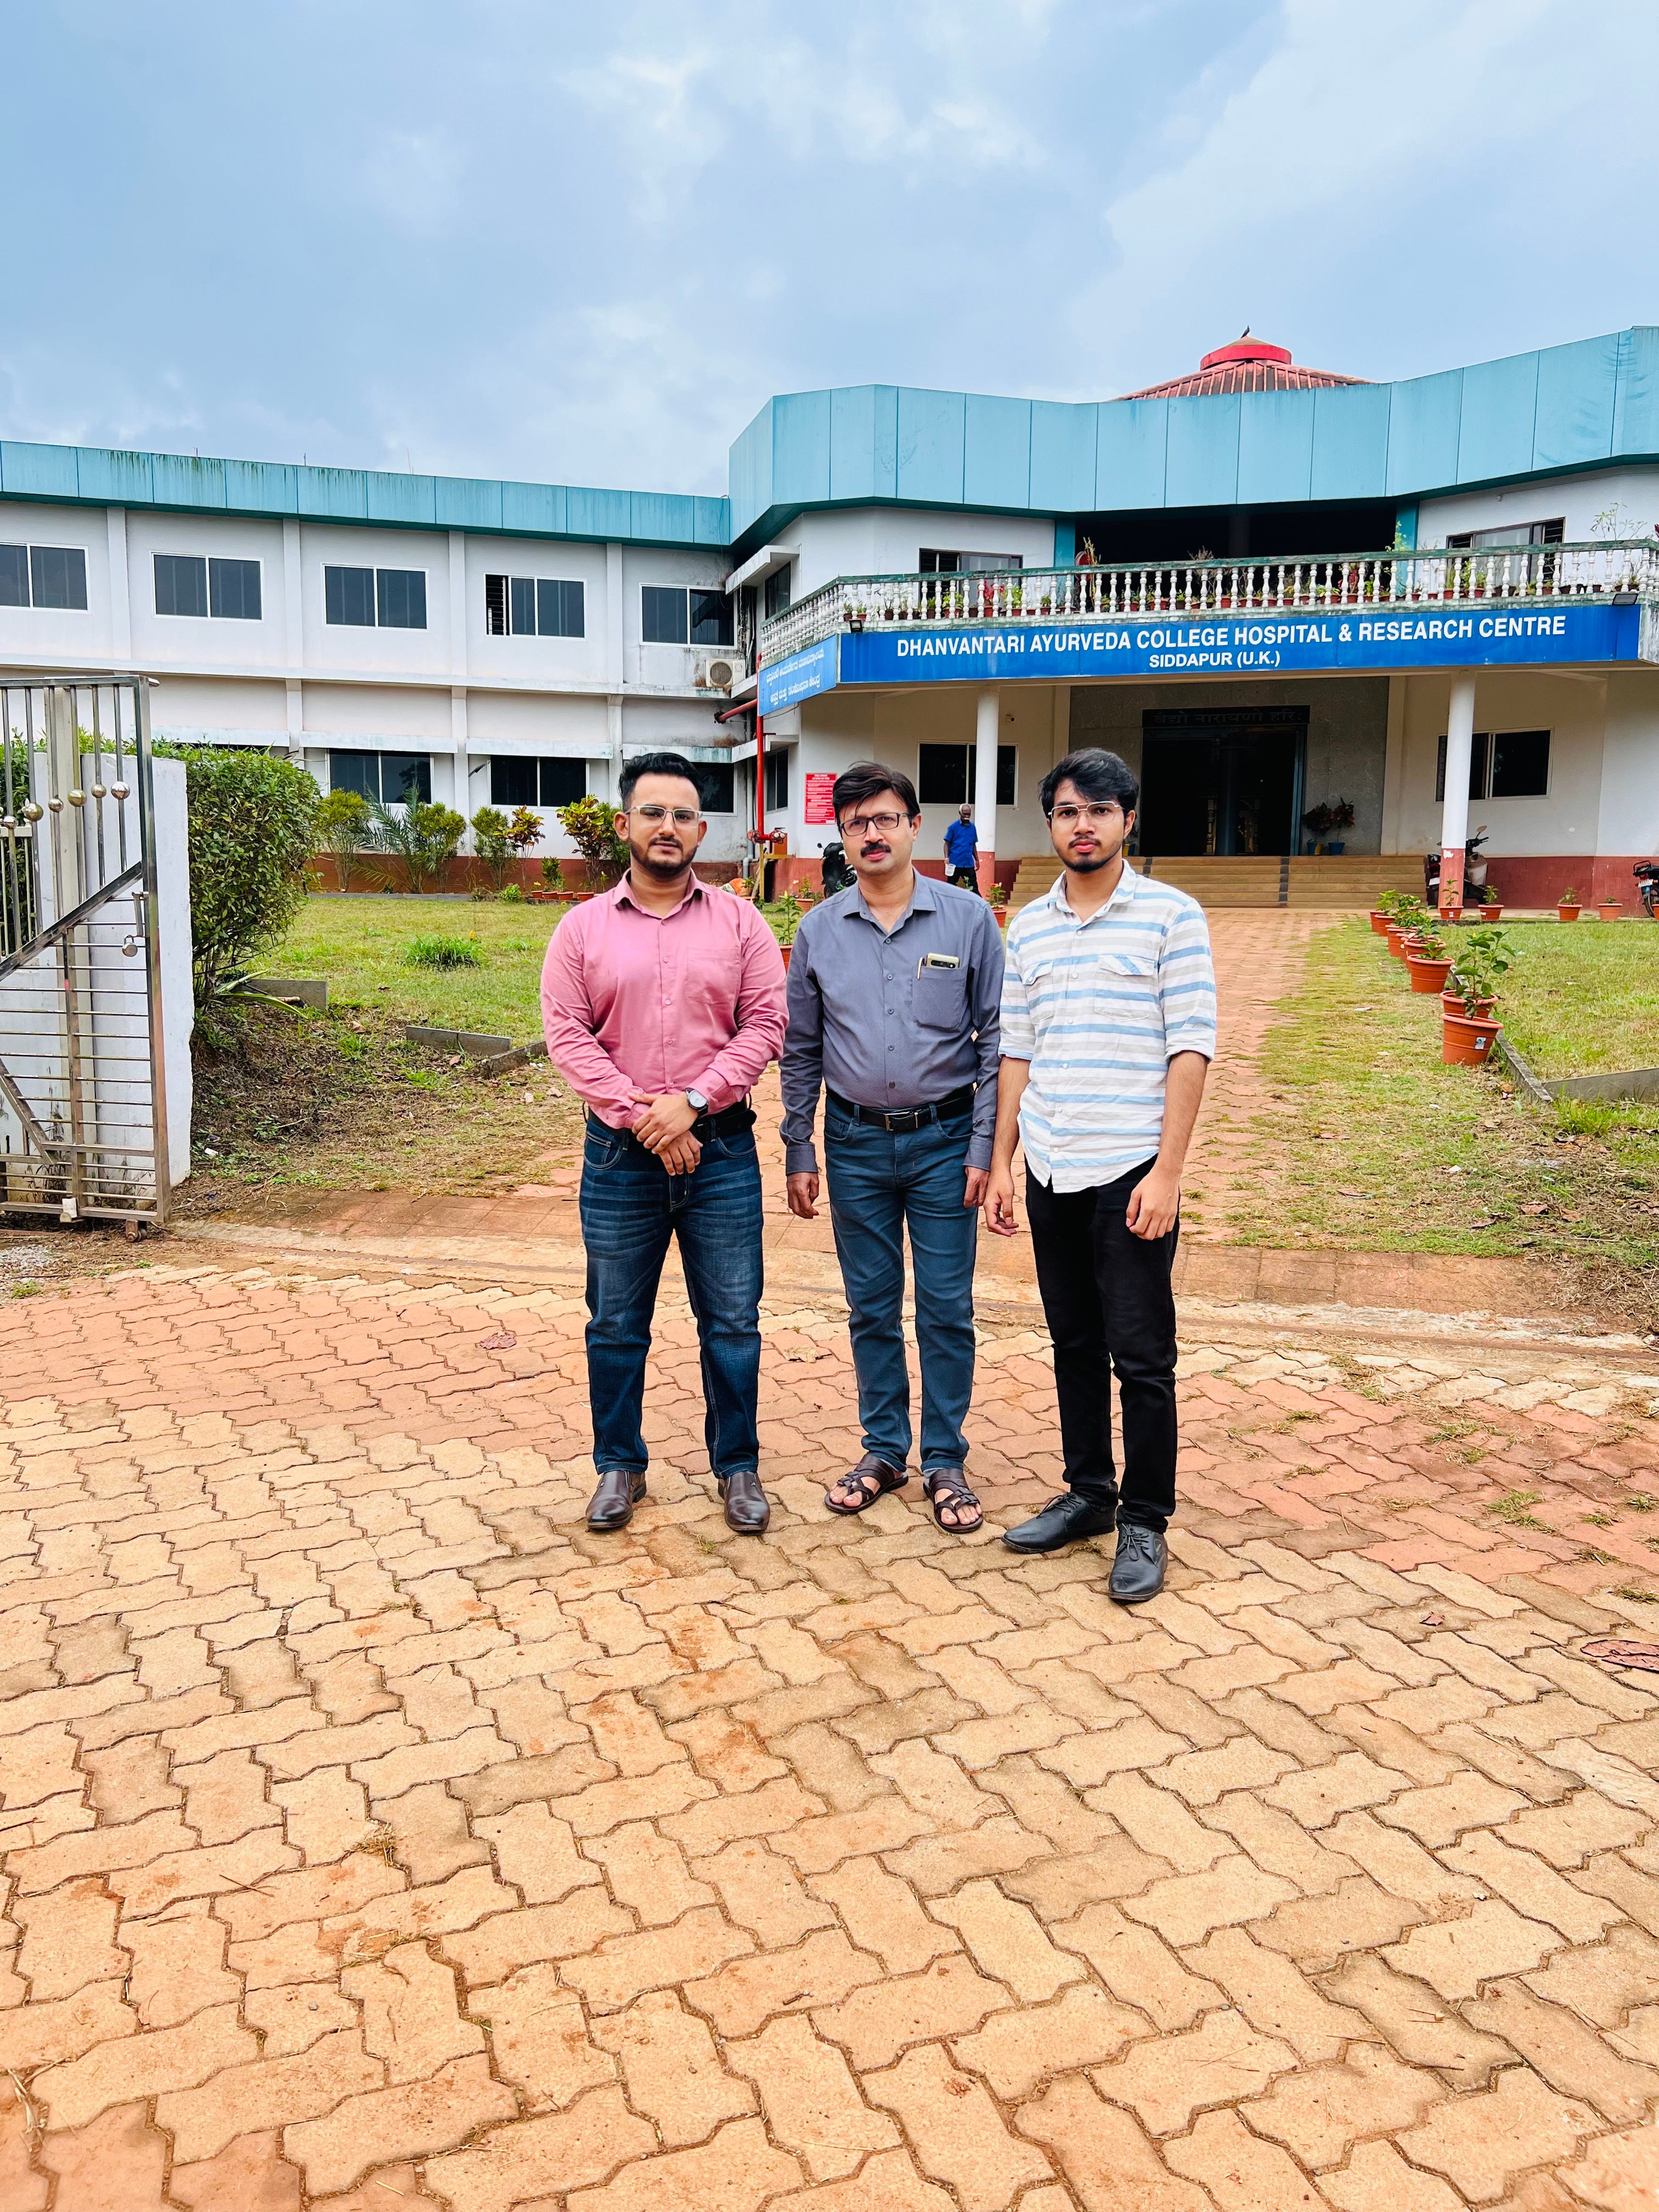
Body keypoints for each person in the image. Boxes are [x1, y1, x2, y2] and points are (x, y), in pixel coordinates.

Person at [985, 748, 1215, 1601]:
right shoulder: (1031, 924)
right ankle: (1089, 1492)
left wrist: (1168, 1173)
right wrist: (1004, 1162)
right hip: (1049, 1163)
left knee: (1142, 1357)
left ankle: (1146, 1520)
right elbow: (1017, 1048)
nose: (1082, 825)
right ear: (1049, 824)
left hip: (1130, 1174)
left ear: (1128, 819)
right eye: (1066, 812)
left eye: (1099, 810)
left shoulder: (1171, 916)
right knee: (1073, 1344)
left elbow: (1190, 1046)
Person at [541, 751, 787, 1537]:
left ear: (700, 830)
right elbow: (567, 1036)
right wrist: (643, 1116)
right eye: (653, 813)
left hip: (720, 1153)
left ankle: (738, 1466)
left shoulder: (742, 922)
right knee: (615, 1321)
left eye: (683, 815)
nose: (668, 828)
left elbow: (767, 1025)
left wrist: (691, 1103)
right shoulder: (580, 930)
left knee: (734, 1321)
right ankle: (620, 1465)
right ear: (625, 825)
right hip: (619, 1158)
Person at [781, 762, 1003, 1534]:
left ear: (915, 826)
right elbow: (801, 1048)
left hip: (947, 1143)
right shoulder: (818, 930)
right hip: (853, 1145)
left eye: (885, 819)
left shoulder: (969, 921)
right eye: (855, 824)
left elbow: (995, 1039)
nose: (871, 834)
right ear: (840, 838)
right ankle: (884, 1450)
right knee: (871, 1308)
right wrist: (799, 1149)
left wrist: (984, 1146)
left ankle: (945, 1458)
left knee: (946, 1308)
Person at [944, 803, 980, 890]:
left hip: (968, 864)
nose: (967, 816)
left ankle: (978, 904)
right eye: (965, 814)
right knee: (951, 888)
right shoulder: (953, 827)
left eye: (969, 814)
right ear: (960, 813)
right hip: (954, 863)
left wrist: (977, 860)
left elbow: (973, 844)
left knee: (974, 888)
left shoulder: (973, 828)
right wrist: (946, 858)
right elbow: (947, 843)